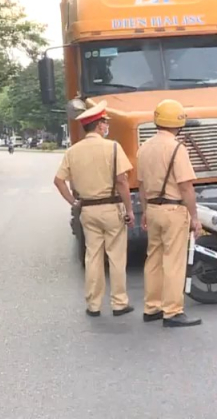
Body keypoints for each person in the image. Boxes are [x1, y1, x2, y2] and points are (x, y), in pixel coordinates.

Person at [53, 101, 136, 317]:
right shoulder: (113, 148)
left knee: (93, 257)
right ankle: (119, 303)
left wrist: (73, 202)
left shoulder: (72, 151)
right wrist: (129, 210)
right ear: (99, 125)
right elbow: (122, 181)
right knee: (116, 257)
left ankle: (93, 304)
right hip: (111, 208)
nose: (107, 126)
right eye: (105, 123)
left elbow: (59, 181)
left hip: (88, 210)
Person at [136, 99, 203, 328]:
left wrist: (145, 211)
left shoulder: (144, 147)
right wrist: (194, 217)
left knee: (153, 259)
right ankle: (172, 311)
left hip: (153, 208)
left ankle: (151, 307)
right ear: (179, 123)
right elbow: (186, 186)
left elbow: (141, 185)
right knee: (174, 261)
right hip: (174, 209)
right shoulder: (177, 148)